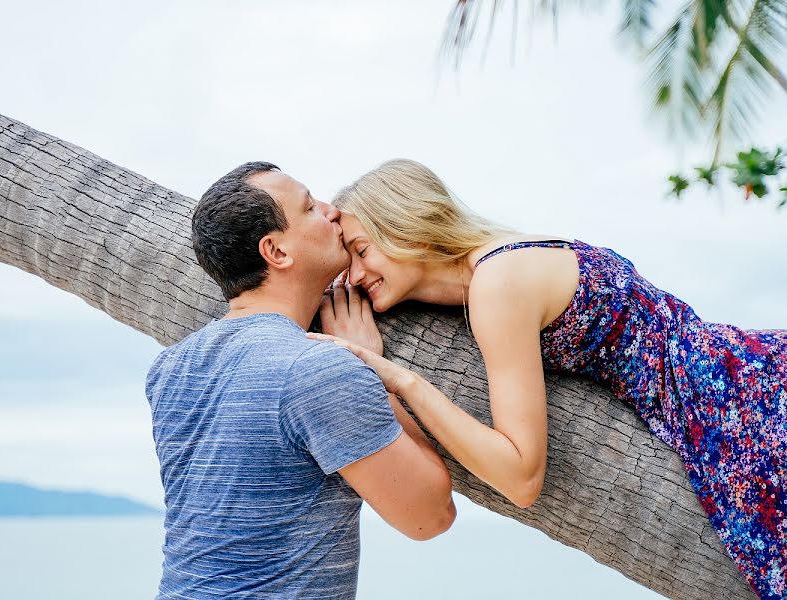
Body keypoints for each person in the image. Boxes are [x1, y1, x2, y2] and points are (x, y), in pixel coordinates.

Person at [309, 158, 786, 600]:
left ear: (405, 225)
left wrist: (396, 377)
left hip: (741, 402)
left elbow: (521, 478)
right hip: (746, 373)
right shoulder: (508, 258)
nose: (351, 275)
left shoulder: (496, 285)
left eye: (361, 250)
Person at [144, 161, 456, 599]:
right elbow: (429, 517)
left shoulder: (170, 368)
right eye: (310, 207)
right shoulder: (318, 371)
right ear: (275, 251)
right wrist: (374, 371)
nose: (331, 211)